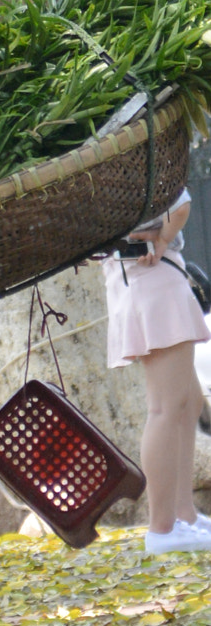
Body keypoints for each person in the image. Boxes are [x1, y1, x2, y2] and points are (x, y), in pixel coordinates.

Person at [105, 188, 211, 554]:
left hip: (143, 271)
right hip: (150, 271)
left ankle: (183, 516)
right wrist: (165, 236)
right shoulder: (144, 154)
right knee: (167, 408)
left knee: (188, 402)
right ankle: (163, 528)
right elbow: (181, 201)